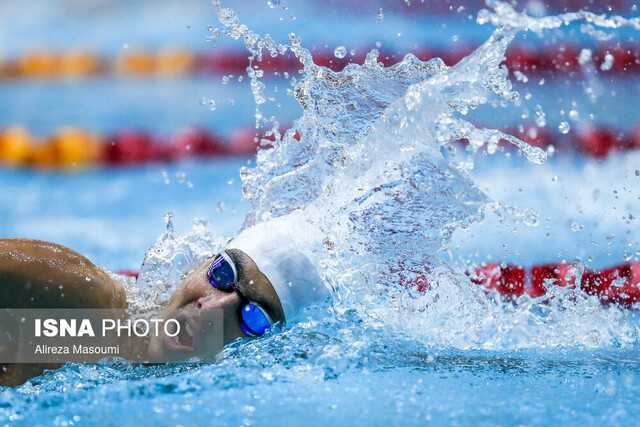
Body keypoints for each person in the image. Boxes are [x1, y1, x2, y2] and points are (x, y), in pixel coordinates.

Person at [0, 212, 330, 386]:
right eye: (223, 274)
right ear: (203, 262)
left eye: (255, 317)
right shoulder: (82, 306)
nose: (212, 307)